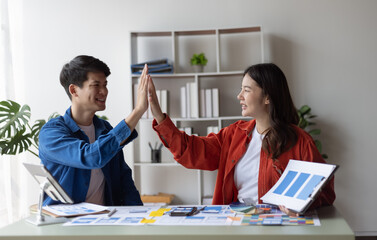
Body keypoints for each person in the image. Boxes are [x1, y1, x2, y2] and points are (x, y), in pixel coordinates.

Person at [148, 63, 335, 216]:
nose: (239, 96)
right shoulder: (233, 134)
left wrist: (301, 205)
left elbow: (324, 193)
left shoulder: (300, 141)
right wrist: (158, 113)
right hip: (238, 222)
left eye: (246, 90)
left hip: (280, 227)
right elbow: (192, 151)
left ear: (268, 97)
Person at [39, 55, 151, 206]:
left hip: (104, 222)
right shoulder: (51, 133)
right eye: (96, 85)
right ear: (74, 90)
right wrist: (138, 111)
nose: (104, 91)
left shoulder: (105, 129)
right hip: (63, 224)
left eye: (105, 84)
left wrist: (140, 217)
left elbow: (124, 181)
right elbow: (90, 157)